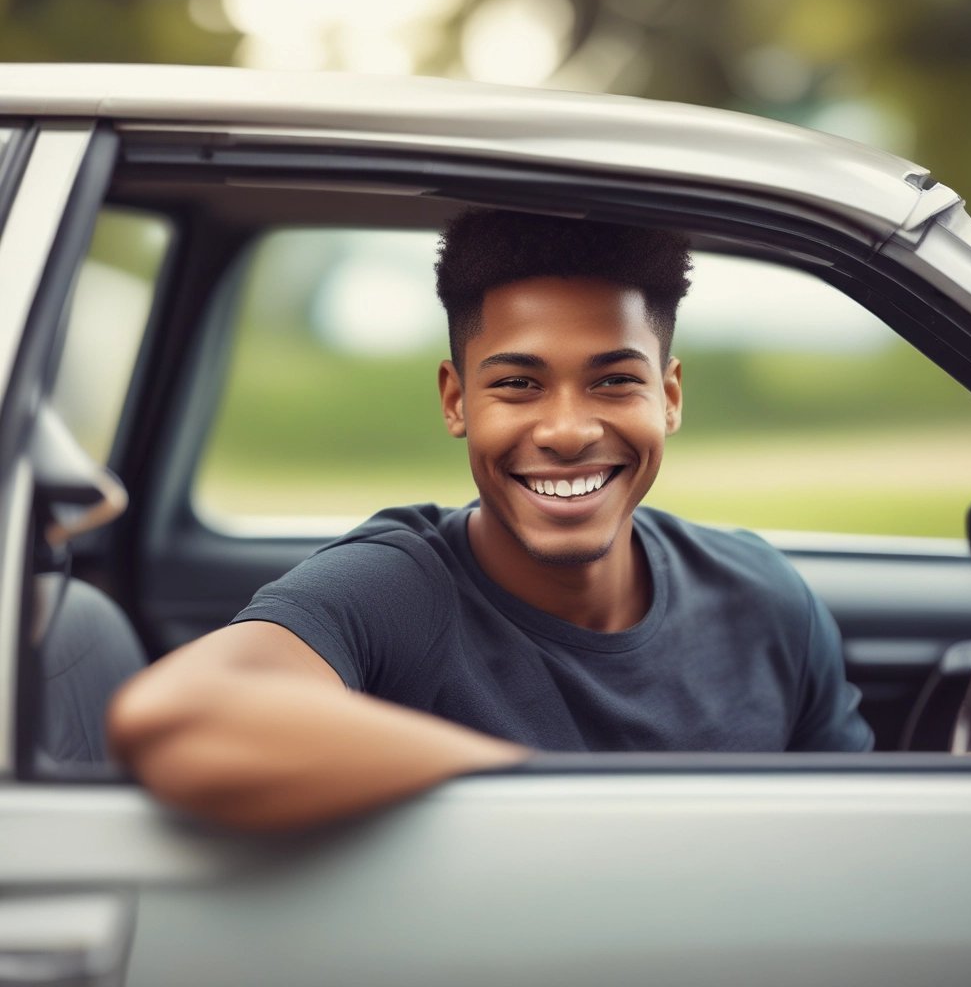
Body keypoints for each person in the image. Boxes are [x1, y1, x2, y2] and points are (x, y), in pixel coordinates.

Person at [108, 209, 879, 830]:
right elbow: (173, 718)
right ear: (457, 400)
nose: (567, 431)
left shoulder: (765, 599)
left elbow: (863, 840)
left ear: (669, 397)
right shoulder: (396, 590)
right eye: (518, 384)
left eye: (615, 381)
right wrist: (528, 794)